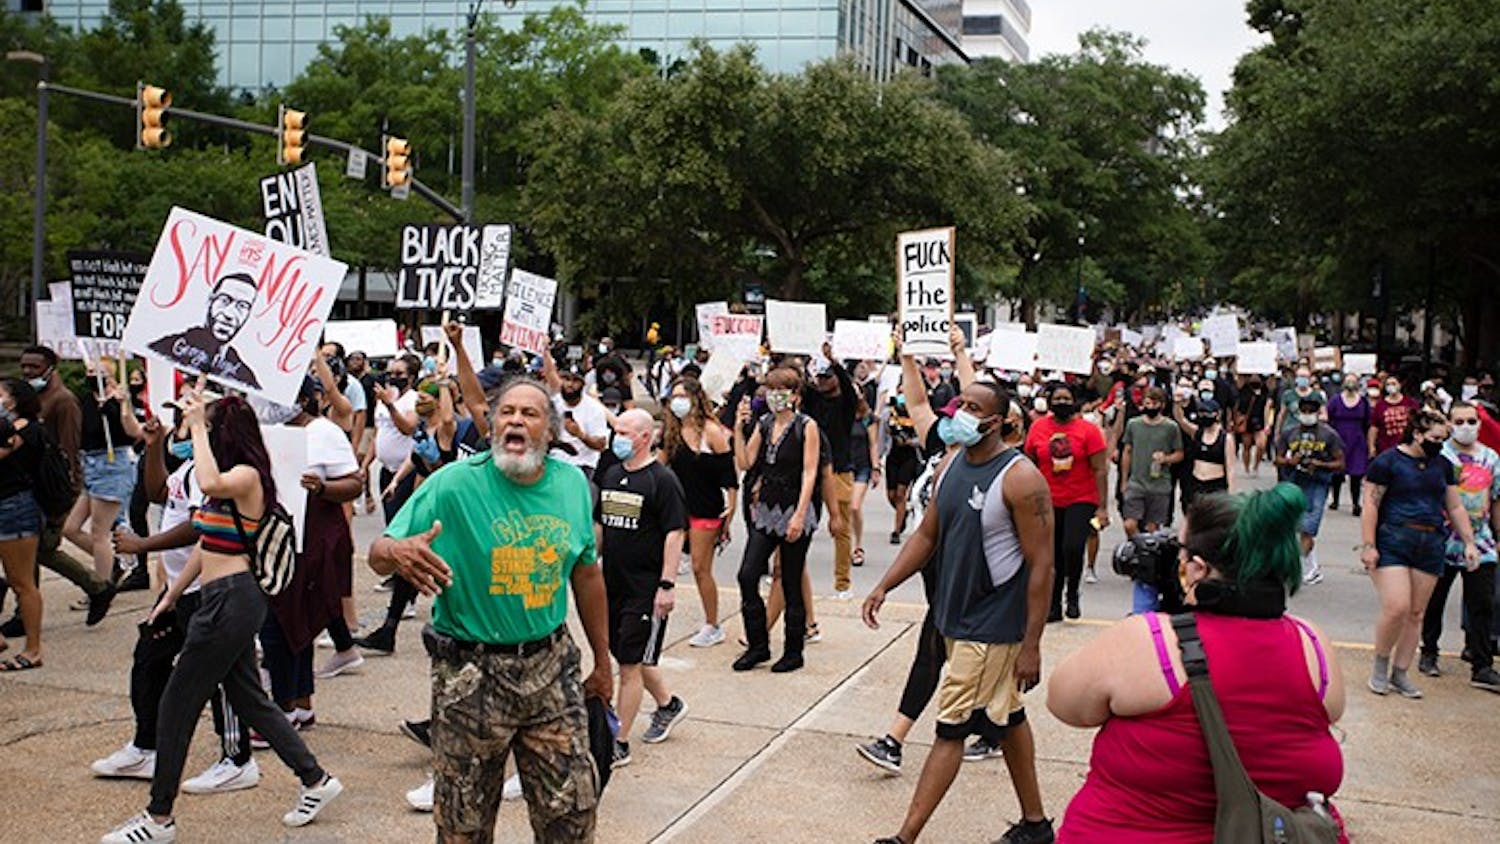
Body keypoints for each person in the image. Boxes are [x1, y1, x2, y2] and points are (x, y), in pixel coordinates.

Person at [369, 377, 611, 842]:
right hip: (470, 674)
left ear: (550, 430)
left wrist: (602, 662)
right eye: (507, 412)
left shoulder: (572, 487)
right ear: (492, 424)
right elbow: (380, 548)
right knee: (464, 826)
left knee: (573, 820)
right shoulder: (453, 484)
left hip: (551, 667)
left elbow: (586, 575)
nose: (516, 419)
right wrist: (396, 554)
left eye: (530, 413)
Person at [103, 390, 343, 844]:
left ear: (223, 434)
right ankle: (316, 779)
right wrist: (170, 596)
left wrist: (196, 425)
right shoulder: (222, 480)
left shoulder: (246, 476)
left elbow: (211, 484)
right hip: (218, 599)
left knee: (177, 702)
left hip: (233, 601)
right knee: (250, 699)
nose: (199, 435)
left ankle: (158, 819)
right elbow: (205, 543)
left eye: (208, 429)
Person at [1048, 484, 1347, 843]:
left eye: (1181, 551)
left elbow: (1064, 703)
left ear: (1198, 568)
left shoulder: (1149, 642)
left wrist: (1161, 613)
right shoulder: (1312, 644)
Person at [863, 380, 1056, 844]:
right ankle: (1035, 825)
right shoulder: (950, 465)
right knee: (1006, 719)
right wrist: (885, 584)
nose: (963, 414)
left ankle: (904, 837)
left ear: (999, 421)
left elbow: (1043, 565)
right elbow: (927, 535)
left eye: (974, 407)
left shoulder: (1021, 478)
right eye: (961, 405)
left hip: (989, 628)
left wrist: (1031, 644)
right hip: (954, 617)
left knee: (951, 729)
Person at [95, 412, 255, 792]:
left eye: (195, 420)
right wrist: (153, 447)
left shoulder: (219, 473)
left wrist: (145, 546)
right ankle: (146, 747)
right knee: (149, 661)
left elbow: (201, 525)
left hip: (211, 589)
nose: (184, 426)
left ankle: (237, 759)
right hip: (182, 591)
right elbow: (157, 494)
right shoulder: (188, 466)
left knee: (224, 680)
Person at [257, 377, 365, 735]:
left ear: (304, 400)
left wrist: (322, 488)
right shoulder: (269, 431)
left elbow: (354, 483)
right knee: (290, 624)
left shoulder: (324, 432)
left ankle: (283, 709)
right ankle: (300, 705)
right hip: (278, 539)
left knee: (282, 626)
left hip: (313, 540)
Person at [1362, 408, 1478, 699]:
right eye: (1435, 438)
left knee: (1416, 613)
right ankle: (1380, 664)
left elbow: (1454, 506)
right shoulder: (1387, 462)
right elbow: (1371, 504)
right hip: (1394, 539)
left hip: (1431, 542)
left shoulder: (1443, 465)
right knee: (1397, 607)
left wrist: (1469, 542)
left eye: (1443, 438)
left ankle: (1400, 673)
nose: (1440, 444)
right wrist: (1368, 545)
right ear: (1417, 434)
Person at [597, 409, 690, 767]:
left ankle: (618, 742)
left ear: (645, 437)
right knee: (626, 655)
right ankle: (668, 704)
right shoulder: (612, 473)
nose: (616, 438)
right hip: (613, 583)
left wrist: (666, 586)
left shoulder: (662, 481)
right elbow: (601, 526)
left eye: (624, 432)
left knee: (631, 665)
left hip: (645, 589)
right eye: (615, 430)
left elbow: (674, 534)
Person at [733, 367, 821, 673]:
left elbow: (811, 471)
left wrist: (799, 514)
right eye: (770, 389)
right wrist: (738, 427)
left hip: (795, 508)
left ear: (795, 395)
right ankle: (758, 645)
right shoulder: (765, 423)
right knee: (747, 574)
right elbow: (746, 461)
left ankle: (793, 650)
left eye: (781, 390)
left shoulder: (806, 426)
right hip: (767, 509)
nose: (774, 396)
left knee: (792, 580)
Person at [1418, 402, 1500, 691]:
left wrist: (1497, 538)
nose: (1466, 426)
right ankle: (1429, 652)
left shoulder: (1491, 458)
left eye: (1471, 421)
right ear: (1450, 424)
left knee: (1482, 603)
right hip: (1442, 541)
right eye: (1460, 421)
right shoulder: (1440, 455)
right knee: (1435, 600)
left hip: (1482, 541)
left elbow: (1495, 498)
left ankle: (1482, 663)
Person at [660, 376, 738, 648]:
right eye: (674, 397)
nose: (677, 402)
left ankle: (712, 624)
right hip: (678, 508)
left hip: (706, 508)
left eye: (682, 396)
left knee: (700, 567)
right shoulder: (671, 432)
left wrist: (730, 513)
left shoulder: (711, 432)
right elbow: (659, 468)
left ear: (695, 398)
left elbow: (729, 477)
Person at [354, 355, 421, 655]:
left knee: (401, 533)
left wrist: (391, 404)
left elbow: (408, 429)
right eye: (390, 372)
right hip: (387, 469)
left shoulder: (413, 400)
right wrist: (367, 463)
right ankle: (402, 586)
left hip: (409, 474)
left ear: (412, 376)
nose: (392, 377)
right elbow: (382, 434)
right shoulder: (384, 400)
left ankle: (407, 596)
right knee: (393, 529)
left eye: (399, 373)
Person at [1025, 384, 1107, 622]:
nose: (1062, 402)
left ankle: (1072, 593)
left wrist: (1102, 507)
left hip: (1081, 498)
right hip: (1047, 499)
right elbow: (1029, 462)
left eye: (1066, 398)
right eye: (1057, 398)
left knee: (1072, 547)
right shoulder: (1038, 428)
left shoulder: (1088, 430)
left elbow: (1100, 469)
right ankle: (1053, 604)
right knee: (1051, 554)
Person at [64, 361, 142, 593]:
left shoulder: (119, 401)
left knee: (100, 533)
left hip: (112, 465)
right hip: (91, 464)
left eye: (98, 373)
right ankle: (110, 563)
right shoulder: (86, 400)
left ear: (110, 377)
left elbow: (134, 432)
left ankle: (100, 588)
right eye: (89, 372)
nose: (92, 376)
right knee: (71, 528)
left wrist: (120, 404)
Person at [802, 348, 858, 599]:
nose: (823, 382)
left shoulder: (846, 405)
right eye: (820, 378)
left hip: (838, 471)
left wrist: (835, 363)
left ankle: (842, 583)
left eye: (828, 377)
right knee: (798, 522)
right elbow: (803, 385)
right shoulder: (814, 402)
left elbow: (846, 387)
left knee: (841, 528)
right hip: (811, 470)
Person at [1272, 395, 1344, 586]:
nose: (1307, 415)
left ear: (1318, 412)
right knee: (1292, 527)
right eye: (1303, 411)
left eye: (1311, 411)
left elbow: (1340, 462)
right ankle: (1311, 568)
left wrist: (1319, 464)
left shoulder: (1329, 435)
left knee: (1308, 528)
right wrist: (1290, 461)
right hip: (1294, 482)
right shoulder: (1289, 433)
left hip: (1318, 483)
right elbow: (1277, 458)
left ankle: (1291, 567)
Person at [0, 379, 47, 670]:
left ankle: (33, 649)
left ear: (14, 401)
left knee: (22, 582)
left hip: (13, 508)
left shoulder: (24, 431)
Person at [147, 272, 263, 389]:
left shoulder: (243, 376)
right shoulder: (166, 347)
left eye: (242, 306)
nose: (229, 314)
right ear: (210, 301)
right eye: (224, 300)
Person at [549, 364, 610, 482]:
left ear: (583, 383)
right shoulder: (554, 403)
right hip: (555, 461)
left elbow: (601, 445)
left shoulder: (594, 409)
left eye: (575, 380)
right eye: (566, 379)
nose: (570, 385)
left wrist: (580, 435)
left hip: (581, 464)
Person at [1173, 397, 1236, 507]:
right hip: (1196, 483)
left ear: (1217, 414)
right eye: (1201, 413)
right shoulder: (1197, 433)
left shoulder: (1226, 438)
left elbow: (1230, 468)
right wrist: (1177, 403)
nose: (1204, 416)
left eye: (1207, 413)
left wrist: (1230, 494)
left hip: (1215, 485)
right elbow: (1181, 419)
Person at [1327, 373, 1372, 515]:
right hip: (1339, 436)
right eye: (1348, 381)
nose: (1351, 384)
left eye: (1353, 381)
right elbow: (1329, 418)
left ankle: (1355, 503)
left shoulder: (1363, 402)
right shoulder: (1335, 400)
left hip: (1357, 439)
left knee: (1356, 473)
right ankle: (1335, 499)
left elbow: (1367, 422)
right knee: (1337, 471)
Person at [850, 397, 880, 568]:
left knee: (855, 506)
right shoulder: (842, 414)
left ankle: (858, 546)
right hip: (844, 466)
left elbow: (873, 444)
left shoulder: (868, 418)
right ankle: (847, 544)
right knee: (844, 508)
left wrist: (876, 468)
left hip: (862, 466)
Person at [1370, 374, 1420, 457]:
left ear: (1400, 385)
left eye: (1393, 384)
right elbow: (1374, 427)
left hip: (1408, 447)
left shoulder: (1410, 403)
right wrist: (1372, 446)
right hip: (1386, 448)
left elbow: (1418, 421)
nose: (1391, 386)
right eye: (1388, 384)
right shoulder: (1380, 405)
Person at [1231, 375, 1271, 476]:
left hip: (1260, 421)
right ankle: (1247, 468)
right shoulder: (1244, 390)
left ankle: (1256, 466)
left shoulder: (1265, 391)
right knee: (1246, 446)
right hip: (1247, 421)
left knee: (1261, 445)